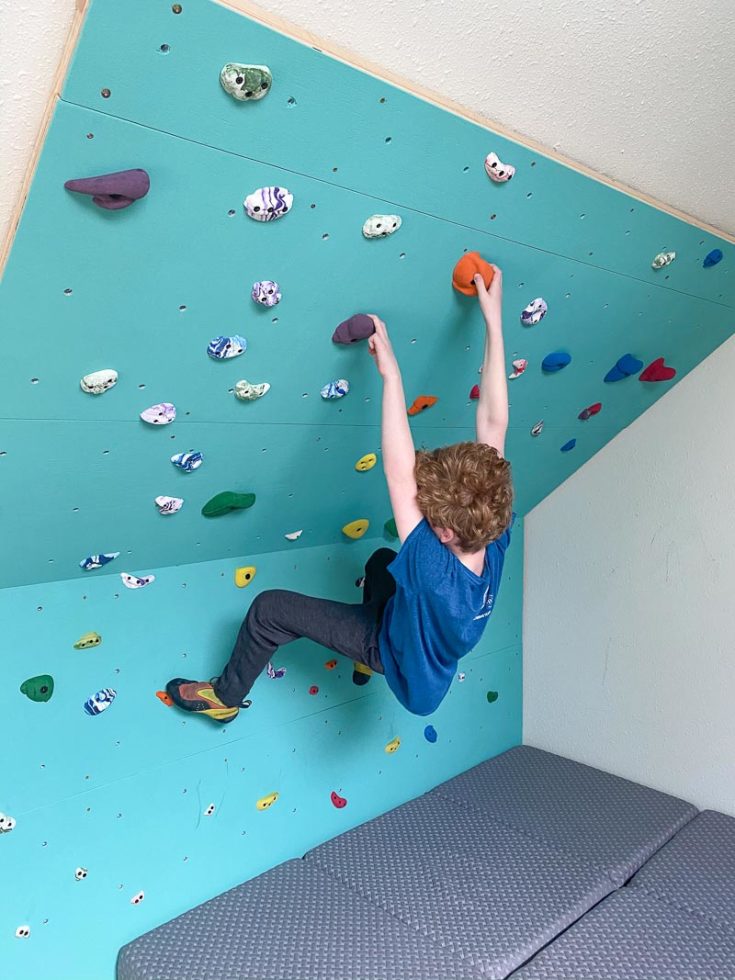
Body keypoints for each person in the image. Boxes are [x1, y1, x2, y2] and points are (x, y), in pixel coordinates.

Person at [166, 266, 513, 723]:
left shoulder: (432, 566)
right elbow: (494, 423)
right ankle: (367, 657)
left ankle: (224, 698)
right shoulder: (493, 518)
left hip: (403, 664)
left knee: (269, 609)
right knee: (380, 564)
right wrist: (494, 319)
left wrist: (391, 375)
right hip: (429, 639)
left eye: (431, 514)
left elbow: (398, 471)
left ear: (445, 533)